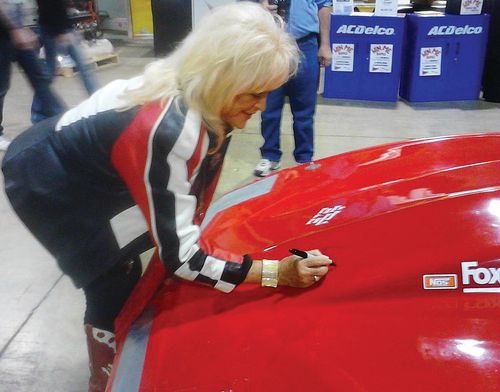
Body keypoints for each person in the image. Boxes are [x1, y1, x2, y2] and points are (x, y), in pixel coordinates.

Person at [1, 2, 333, 391]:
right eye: (256, 94)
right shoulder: (170, 127)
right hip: (44, 179)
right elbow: (182, 258)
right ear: (222, 80)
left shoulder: (204, 95)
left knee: (147, 256)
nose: (262, 107)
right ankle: (105, 380)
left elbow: (192, 207)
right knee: (113, 281)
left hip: (87, 162)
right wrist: (278, 273)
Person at [253, 0, 332, 177]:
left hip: (305, 45)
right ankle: (270, 155)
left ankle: (304, 159)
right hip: (270, 45)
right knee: (269, 109)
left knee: (304, 111)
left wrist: (325, 44)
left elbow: (324, 7)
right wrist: (259, 6)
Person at [0, 0, 65, 151]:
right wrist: (16, 29)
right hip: (7, 32)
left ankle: (59, 122)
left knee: (39, 77)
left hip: (18, 27)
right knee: (1, 87)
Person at [31, 0, 98, 123]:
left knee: (51, 72)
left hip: (57, 26)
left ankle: (38, 113)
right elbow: (49, 4)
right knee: (82, 69)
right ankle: (99, 104)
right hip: (55, 28)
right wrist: (61, 31)